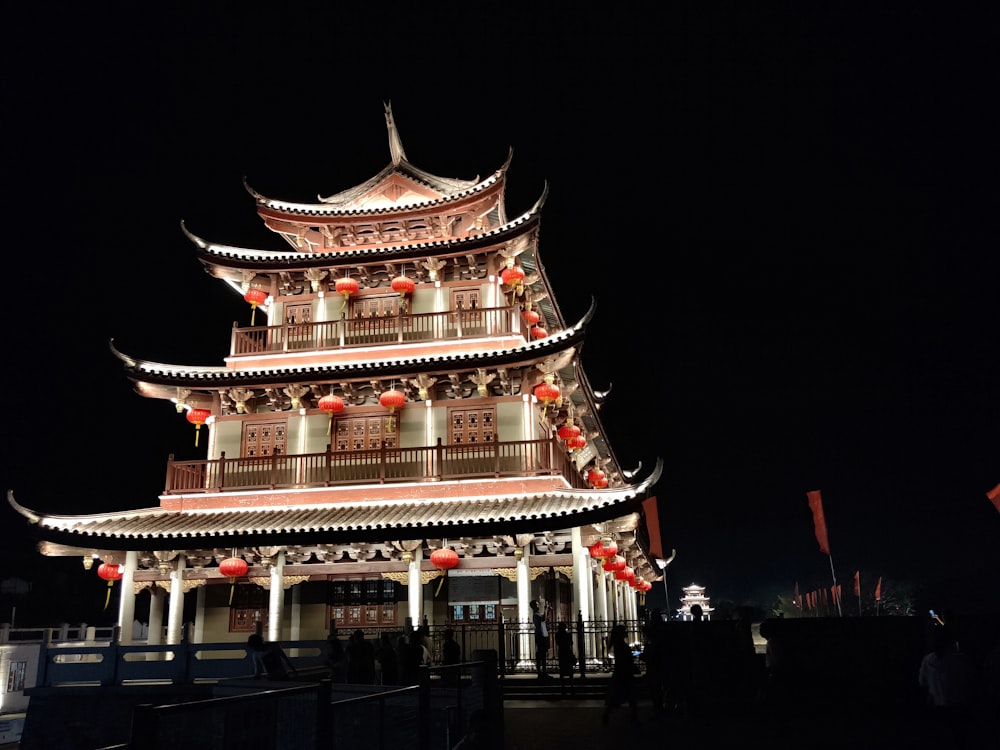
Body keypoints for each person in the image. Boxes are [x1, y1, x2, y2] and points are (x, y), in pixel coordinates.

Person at [602, 624, 639, 725]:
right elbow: (624, 659)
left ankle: (607, 716)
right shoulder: (620, 645)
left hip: (621, 673)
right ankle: (633, 718)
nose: (626, 632)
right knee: (629, 697)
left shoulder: (618, 644)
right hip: (624, 674)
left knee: (618, 697)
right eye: (624, 631)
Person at [530, 599, 551, 679]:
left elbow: (544, 618)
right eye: (536, 604)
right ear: (533, 606)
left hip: (543, 634)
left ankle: (544, 672)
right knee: (541, 655)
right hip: (540, 636)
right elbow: (543, 619)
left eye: (538, 604)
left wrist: (547, 610)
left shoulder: (538, 613)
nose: (538, 605)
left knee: (544, 654)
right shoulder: (535, 614)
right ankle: (541, 673)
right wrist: (546, 608)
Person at [555, 621, 576, 694]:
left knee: (562, 671)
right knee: (570, 671)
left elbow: (558, 643)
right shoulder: (568, 634)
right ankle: (571, 687)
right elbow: (571, 643)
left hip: (562, 653)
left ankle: (563, 687)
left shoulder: (557, 634)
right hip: (567, 652)